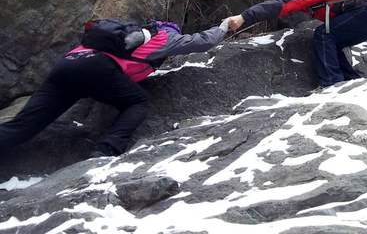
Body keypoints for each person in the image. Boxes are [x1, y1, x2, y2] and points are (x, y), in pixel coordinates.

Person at [0, 20, 228, 158]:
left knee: (23, 126)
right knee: (138, 102)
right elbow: (203, 42)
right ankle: (106, 150)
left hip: (66, 64)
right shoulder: (164, 37)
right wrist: (224, 27)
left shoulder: (118, 35)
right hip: (97, 69)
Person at [225, 0, 367, 88]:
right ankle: (351, 82)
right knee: (332, 41)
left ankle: (333, 86)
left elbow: (278, 4)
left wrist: (243, 17)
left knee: (323, 35)